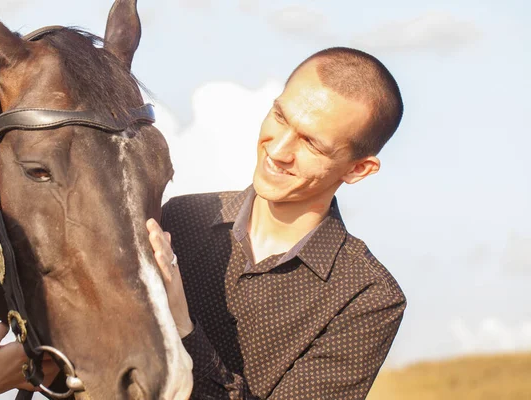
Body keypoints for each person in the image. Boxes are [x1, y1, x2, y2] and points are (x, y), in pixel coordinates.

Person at [145, 46, 406, 399]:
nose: (279, 151)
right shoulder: (178, 218)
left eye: (312, 143)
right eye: (281, 117)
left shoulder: (367, 297)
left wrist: (183, 327)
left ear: (358, 169)